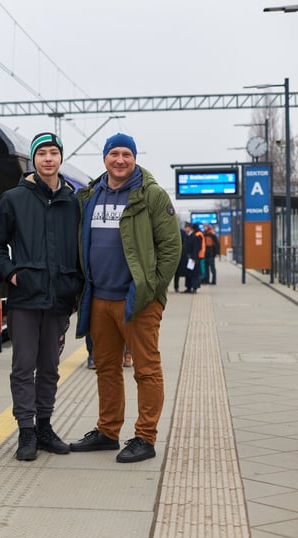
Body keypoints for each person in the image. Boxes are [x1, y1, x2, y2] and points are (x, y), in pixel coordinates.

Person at [70, 133, 182, 463]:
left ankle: (145, 437)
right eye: (114, 154)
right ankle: (107, 431)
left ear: (134, 158)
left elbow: (171, 248)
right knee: (106, 367)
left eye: (126, 154)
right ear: (105, 158)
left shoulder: (151, 195)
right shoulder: (90, 195)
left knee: (146, 370)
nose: (120, 160)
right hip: (99, 297)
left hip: (138, 300)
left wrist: (150, 289)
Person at [0, 132, 83, 461]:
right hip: (25, 297)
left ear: (60, 158)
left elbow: (80, 248)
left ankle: (45, 426)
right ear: (34, 159)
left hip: (59, 297)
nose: (48, 158)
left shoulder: (73, 202)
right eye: (42, 153)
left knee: (50, 367)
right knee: (22, 366)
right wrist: (11, 273)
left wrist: (76, 286)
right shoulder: (13, 198)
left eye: (53, 153)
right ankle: (26, 431)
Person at [182, 222, 201, 293]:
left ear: (190, 228)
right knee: (188, 273)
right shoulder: (186, 236)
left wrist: (194, 257)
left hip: (192, 258)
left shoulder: (194, 237)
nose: (185, 229)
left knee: (194, 274)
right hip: (186, 258)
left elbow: (196, 248)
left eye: (186, 227)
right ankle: (188, 287)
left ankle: (194, 287)